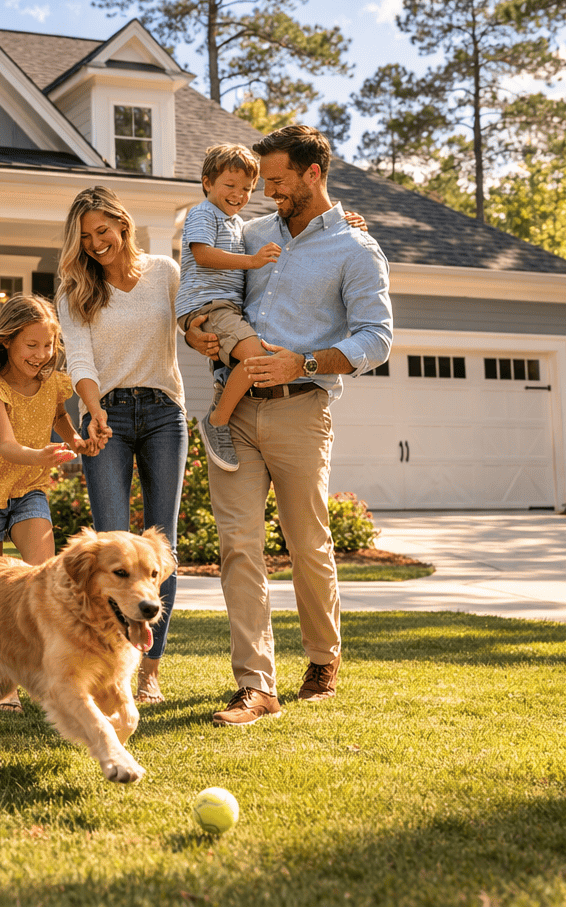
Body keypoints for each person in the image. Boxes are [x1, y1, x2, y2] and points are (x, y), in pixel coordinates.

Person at [204, 125, 393, 727]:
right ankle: (255, 685)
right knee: (238, 546)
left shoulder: (356, 249)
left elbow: (377, 338)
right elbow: (210, 284)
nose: (270, 193)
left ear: (315, 174)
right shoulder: (252, 234)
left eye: (280, 182)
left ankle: (322, 658)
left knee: (307, 541)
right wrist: (195, 331)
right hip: (231, 411)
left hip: (300, 408)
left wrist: (304, 361)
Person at [55, 186, 194, 705]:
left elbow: (195, 319)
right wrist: (93, 413)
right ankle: (109, 668)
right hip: (106, 417)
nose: (95, 243)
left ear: (122, 224)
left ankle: (149, 670)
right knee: (108, 549)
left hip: (163, 413)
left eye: (102, 231)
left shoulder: (165, 272)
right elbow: (81, 362)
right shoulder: (75, 290)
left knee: (163, 549)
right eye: (85, 237)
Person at [177, 143, 372, 472]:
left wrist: (344, 221)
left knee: (252, 356)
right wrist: (252, 261)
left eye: (247, 189)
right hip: (209, 305)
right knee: (258, 358)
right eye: (230, 186)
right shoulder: (203, 213)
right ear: (207, 182)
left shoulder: (239, 225)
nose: (240, 195)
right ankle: (218, 420)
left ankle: (222, 398)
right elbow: (202, 255)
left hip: (228, 310)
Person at [0, 294, 90, 708]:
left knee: (44, 577)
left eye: (48, 345)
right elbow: (8, 445)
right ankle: (1, 686)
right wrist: (43, 455)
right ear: (8, 341)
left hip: (29, 489)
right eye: (32, 345)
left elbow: (59, 417)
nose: (42, 355)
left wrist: (75, 441)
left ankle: (50, 672)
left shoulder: (53, 381)